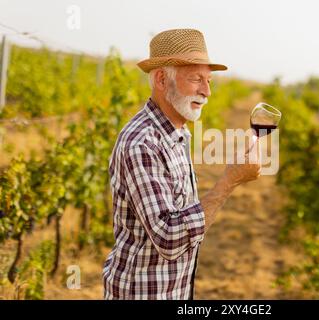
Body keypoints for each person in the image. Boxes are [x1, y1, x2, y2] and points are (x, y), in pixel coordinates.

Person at [102, 28, 261, 299]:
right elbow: (169, 237)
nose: (207, 91)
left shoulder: (178, 132)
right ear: (162, 80)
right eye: (197, 79)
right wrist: (229, 181)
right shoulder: (142, 143)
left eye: (209, 80)